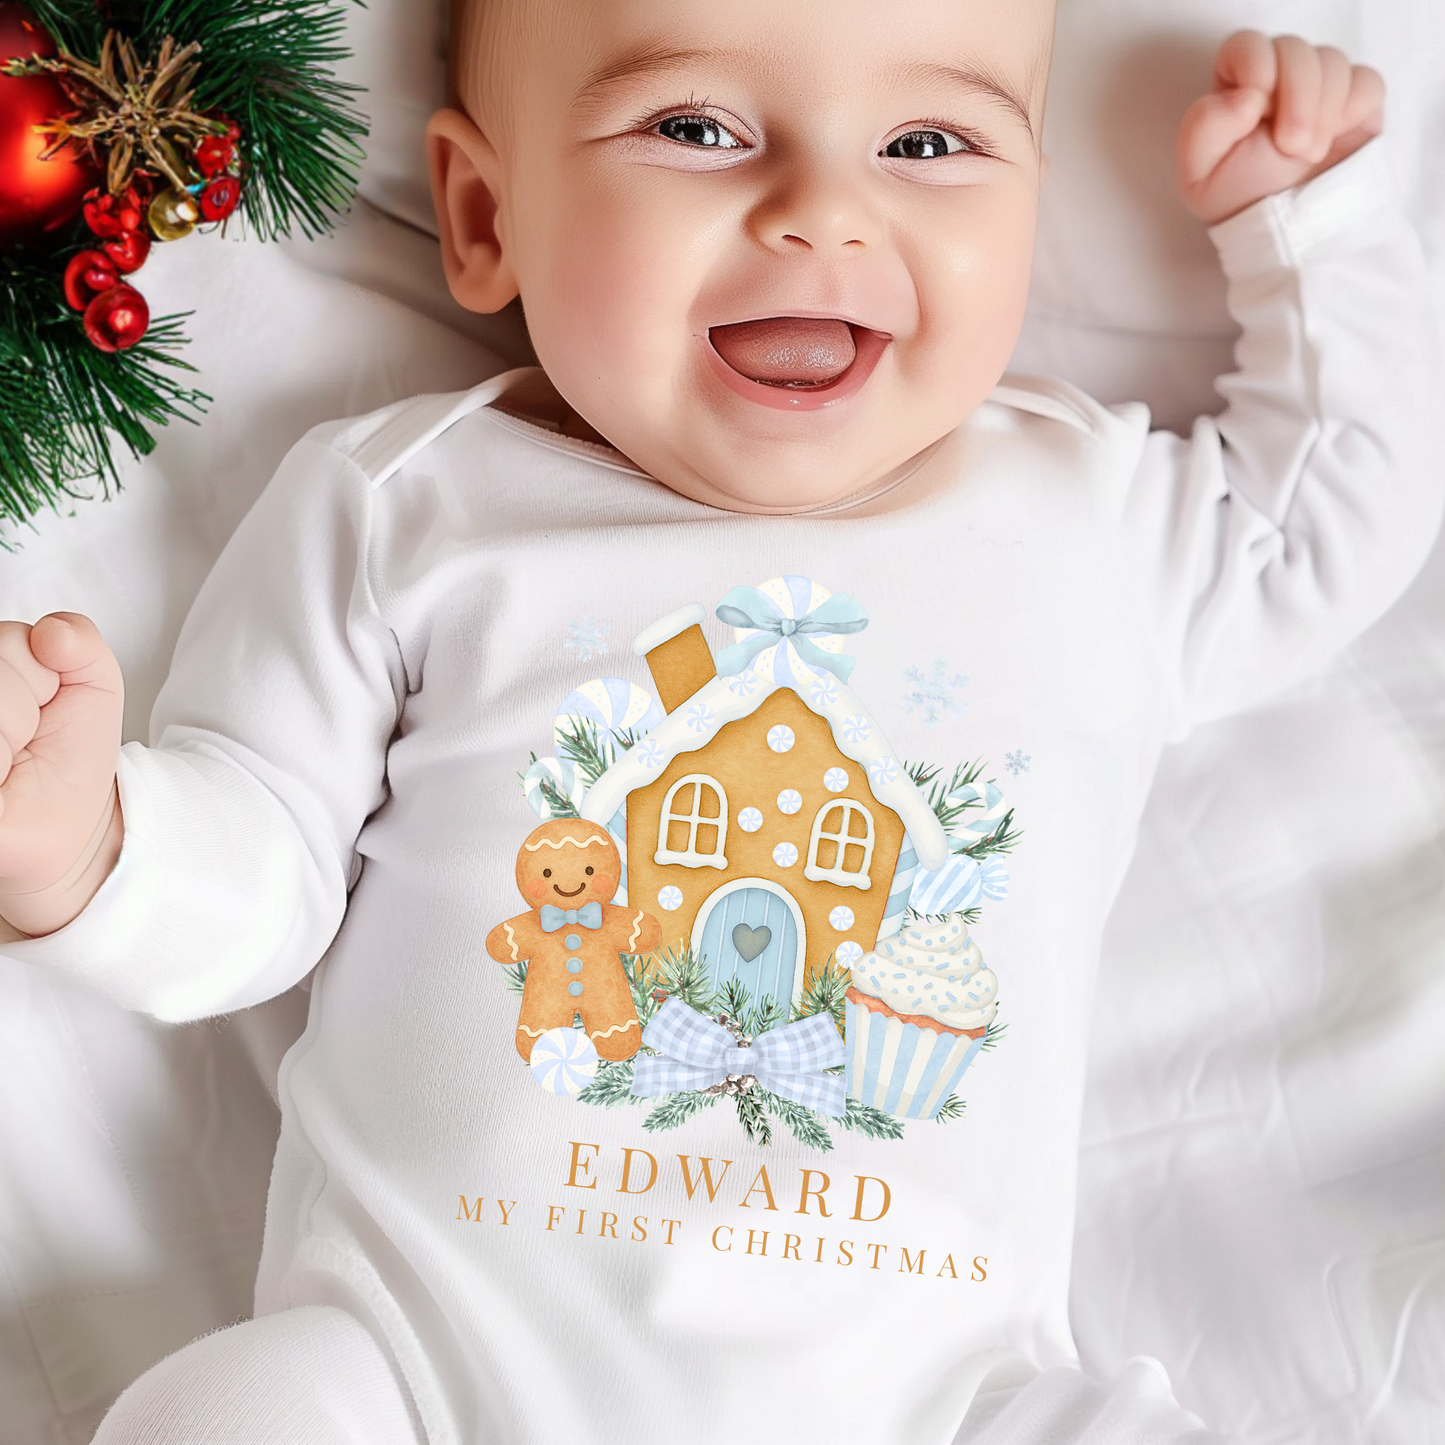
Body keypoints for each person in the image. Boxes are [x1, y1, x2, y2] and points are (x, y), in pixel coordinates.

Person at [0, 2, 1436, 1441]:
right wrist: (91, 846)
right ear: (487, 214)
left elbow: (1325, 526)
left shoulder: (1082, 521)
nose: (824, 213)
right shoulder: (415, 504)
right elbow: (260, 857)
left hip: (939, 1404)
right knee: (230, 1414)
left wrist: (1315, 226)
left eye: (928, 141)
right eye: (696, 130)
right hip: (426, 1370)